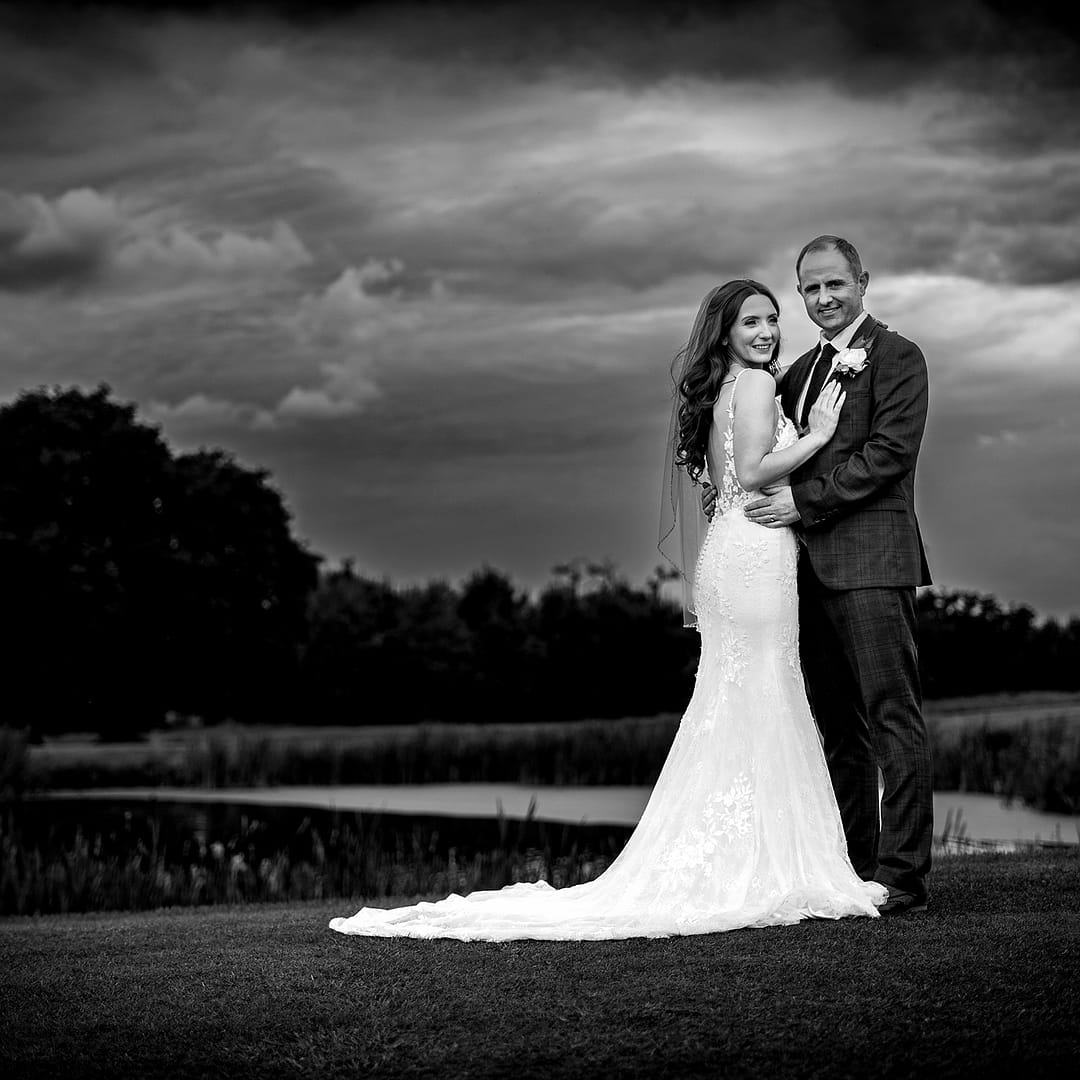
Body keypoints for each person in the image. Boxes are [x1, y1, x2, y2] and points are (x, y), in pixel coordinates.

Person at [328, 278, 887, 941]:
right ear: (725, 333)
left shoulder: (719, 392)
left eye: (771, 320)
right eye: (750, 324)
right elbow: (760, 471)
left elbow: (725, 482)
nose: (766, 333)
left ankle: (752, 856)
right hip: (757, 555)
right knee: (763, 693)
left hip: (729, 553)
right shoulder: (760, 386)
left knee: (736, 700)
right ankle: (770, 861)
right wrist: (821, 431)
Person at [710, 236, 933, 916]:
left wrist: (804, 502)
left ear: (863, 281)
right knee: (838, 727)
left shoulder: (899, 358)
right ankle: (853, 868)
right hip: (803, 574)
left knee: (893, 715)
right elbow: (763, 454)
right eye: (811, 289)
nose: (824, 299)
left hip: (870, 563)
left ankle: (902, 877)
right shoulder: (798, 369)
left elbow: (889, 456)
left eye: (836, 284)